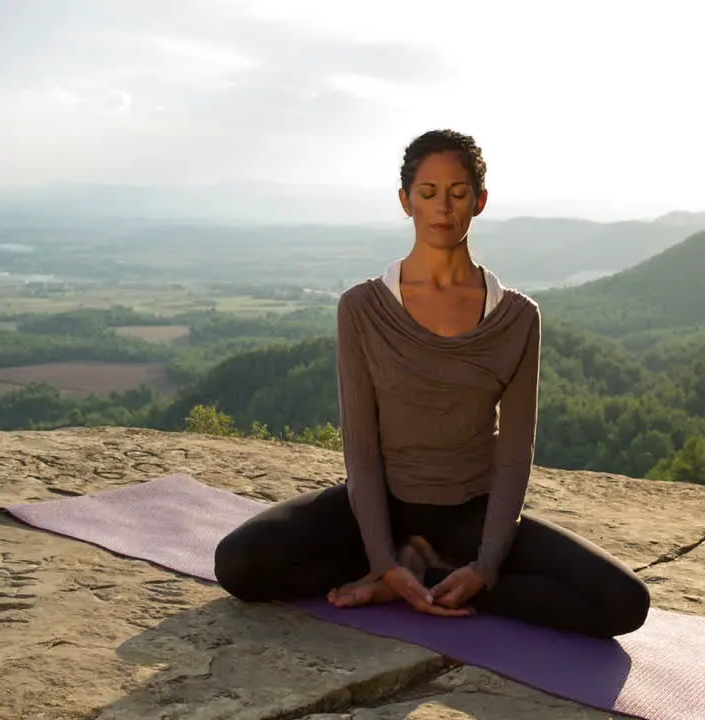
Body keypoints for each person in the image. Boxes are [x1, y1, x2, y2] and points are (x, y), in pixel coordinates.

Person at [214, 129, 651, 638]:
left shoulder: (517, 318)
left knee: (624, 603)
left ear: (479, 201)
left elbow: (513, 455)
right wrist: (383, 560)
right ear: (406, 202)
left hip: (470, 516)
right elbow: (360, 446)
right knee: (239, 565)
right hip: (378, 506)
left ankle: (438, 574)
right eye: (428, 194)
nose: (443, 207)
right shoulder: (362, 308)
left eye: (458, 193)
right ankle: (400, 572)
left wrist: (486, 566)